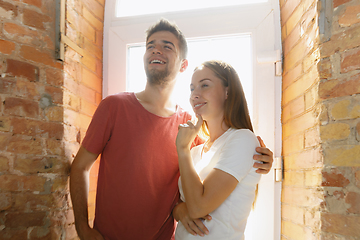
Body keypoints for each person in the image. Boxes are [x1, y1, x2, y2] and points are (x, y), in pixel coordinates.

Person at [70, 19, 273, 240]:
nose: (156, 49)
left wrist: (262, 158)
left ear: (183, 65)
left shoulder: (190, 125)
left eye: (167, 46)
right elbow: (79, 168)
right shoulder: (113, 106)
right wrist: (82, 228)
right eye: (150, 45)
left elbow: (220, 154)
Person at [175, 60, 262, 239]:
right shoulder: (195, 152)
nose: (195, 95)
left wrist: (182, 149)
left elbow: (198, 207)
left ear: (227, 92)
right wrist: (179, 210)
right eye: (192, 89)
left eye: (204, 85)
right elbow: (183, 205)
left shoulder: (242, 139)